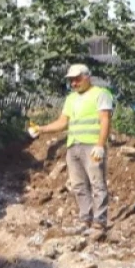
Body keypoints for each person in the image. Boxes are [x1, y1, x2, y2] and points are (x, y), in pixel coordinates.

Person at [29, 63, 114, 235]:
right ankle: (85, 219)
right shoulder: (71, 99)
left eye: (77, 79)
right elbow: (63, 122)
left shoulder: (100, 94)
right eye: (71, 81)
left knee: (97, 183)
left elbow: (105, 120)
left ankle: (99, 223)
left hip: (92, 146)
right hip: (73, 146)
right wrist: (41, 129)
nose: (74, 83)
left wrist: (100, 145)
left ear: (87, 77)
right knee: (78, 185)